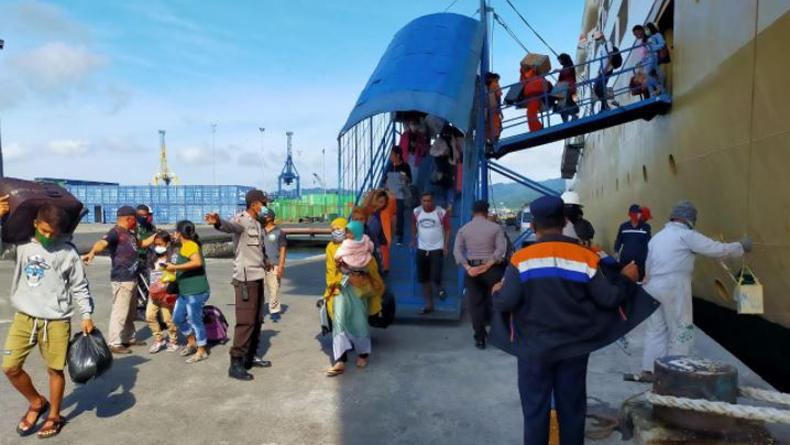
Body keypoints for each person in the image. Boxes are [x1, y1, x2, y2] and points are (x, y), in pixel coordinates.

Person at [491, 195, 654, 445]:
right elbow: (609, 298)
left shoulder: (521, 260)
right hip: (574, 348)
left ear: (534, 226)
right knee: (572, 411)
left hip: (534, 350)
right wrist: (626, 278)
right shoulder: (584, 256)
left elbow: (506, 302)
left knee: (535, 412)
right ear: (565, 221)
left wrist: (498, 290)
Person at [1, 201, 95, 439]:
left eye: (53, 234)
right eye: (43, 231)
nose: (47, 237)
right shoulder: (21, 245)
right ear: (35, 224)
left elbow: (80, 286)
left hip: (56, 320)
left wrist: (86, 315)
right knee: (10, 368)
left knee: (55, 370)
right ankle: (36, 402)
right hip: (25, 317)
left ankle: (54, 415)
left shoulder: (67, 251)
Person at [630, 201, 751, 383]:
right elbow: (717, 250)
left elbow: (648, 266)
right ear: (690, 219)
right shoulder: (686, 236)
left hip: (652, 286)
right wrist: (741, 247)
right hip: (674, 285)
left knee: (656, 330)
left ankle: (650, 371)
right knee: (681, 329)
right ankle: (676, 372)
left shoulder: (658, 237)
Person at [206, 189, 272, 381]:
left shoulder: (258, 224)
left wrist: (266, 260)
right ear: (254, 204)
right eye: (263, 203)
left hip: (257, 275)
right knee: (246, 321)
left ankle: (250, 357)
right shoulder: (242, 220)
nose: (265, 207)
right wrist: (218, 222)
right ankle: (235, 363)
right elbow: (230, 227)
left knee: (258, 319)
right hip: (244, 279)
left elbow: (258, 249)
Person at [83, 205, 154, 354]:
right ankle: (114, 342)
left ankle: (129, 337)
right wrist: (92, 252)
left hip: (132, 277)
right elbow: (101, 243)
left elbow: (143, 244)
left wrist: (155, 236)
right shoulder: (115, 233)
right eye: (135, 219)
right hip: (122, 278)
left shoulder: (131, 233)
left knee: (130, 312)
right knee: (120, 311)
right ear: (129, 219)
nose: (137, 222)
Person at [325, 221, 382, 377]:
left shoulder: (361, 245)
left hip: (358, 290)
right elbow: (330, 270)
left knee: (359, 321)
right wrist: (339, 279)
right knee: (338, 322)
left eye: (339, 229)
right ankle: (340, 359)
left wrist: (360, 274)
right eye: (333, 229)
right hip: (339, 289)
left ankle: (363, 354)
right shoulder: (331, 247)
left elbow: (372, 267)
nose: (336, 232)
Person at [453, 200, 507, 349]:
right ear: (486, 211)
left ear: (472, 211)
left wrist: (468, 267)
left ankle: (480, 338)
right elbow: (500, 250)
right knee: (497, 301)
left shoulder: (464, 229)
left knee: (475, 304)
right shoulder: (495, 228)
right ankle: (501, 335)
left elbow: (457, 251)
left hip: (472, 270)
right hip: (493, 269)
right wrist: (488, 265)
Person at [165, 220, 210, 364]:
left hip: (195, 291)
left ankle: (202, 350)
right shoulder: (185, 245)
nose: (173, 234)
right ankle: (192, 343)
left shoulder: (190, 245)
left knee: (196, 321)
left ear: (179, 233)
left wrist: (175, 268)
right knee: (178, 318)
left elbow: (197, 262)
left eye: (175, 231)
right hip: (185, 291)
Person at [412, 192, 451, 315]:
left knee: (435, 275)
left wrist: (445, 245)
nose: (427, 203)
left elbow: (448, 229)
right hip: (421, 248)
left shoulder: (441, 212)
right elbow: (413, 225)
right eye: (424, 200)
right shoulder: (416, 212)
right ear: (421, 201)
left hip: (437, 248)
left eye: (429, 200)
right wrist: (413, 239)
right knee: (424, 279)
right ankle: (429, 305)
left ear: (433, 201)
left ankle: (439, 288)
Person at [145, 230, 180, 353]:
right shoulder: (152, 255)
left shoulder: (173, 256)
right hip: (154, 291)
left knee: (167, 318)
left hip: (167, 292)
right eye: (156, 244)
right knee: (149, 316)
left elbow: (176, 271)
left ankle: (173, 340)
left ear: (167, 244)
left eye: (160, 244)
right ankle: (159, 339)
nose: (157, 247)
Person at [261, 208, 287, 322]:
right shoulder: (259, 230)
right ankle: (259, 312)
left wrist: (281, 266)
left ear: (270, 217)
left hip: (274, 265)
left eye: (264, 215)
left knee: (274, 289)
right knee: (258, 289)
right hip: (259, 265)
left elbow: (282, 250)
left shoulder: (279, 232)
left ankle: (274, 311)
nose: (261, 217)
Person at [383, 148, 412, 246]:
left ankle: (400, 236)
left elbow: (410, 180)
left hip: (400, 194)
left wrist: (405, 178)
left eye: (392, 155)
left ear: (398, 155)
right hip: (390, 194)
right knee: (386, 213)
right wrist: (387, 185)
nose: (390, 157)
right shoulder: (390, 166)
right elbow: (384, 180)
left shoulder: (405, 166)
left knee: (400, 213)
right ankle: (386, 235)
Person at [614, 204, 651, 280]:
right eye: (635, 213)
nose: (637, 215)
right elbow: (619, 240)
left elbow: (649, 243)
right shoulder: (624, 226)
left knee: (639, 280)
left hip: (640, 261)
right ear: (630, 214)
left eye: (639, 213)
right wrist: (616, 252)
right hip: (625, 260)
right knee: (625, 280)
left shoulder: (646, 227)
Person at [592, 30, 614, 113]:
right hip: (603, 71)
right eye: (597, 40)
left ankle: (605, 107)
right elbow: (602, 61)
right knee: (597, 88)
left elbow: (611, 56)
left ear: (602, 37)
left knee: (599, 87)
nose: (598, 41)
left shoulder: (608, 43)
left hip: (607, 70)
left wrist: (606, 68)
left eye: (598, 39)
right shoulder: (602, 47)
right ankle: (604, 106)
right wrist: (599, 72)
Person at [554, 53, 579, 122]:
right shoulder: (566, 66)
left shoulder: (568, 65)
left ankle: (573, 116)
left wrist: (558, 71)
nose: (559, 62)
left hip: (568, 88)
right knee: (562, 105)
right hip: (564, 88)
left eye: (560, 60)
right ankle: (568, 118)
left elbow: (567, 72)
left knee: (564, 104)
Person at [645, 23, 667, 95]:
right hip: (649, 58)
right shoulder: (648, 39)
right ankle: (653, 91)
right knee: (648, 75)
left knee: (647, 74)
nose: (646, 31)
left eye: (647, 29)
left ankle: (659, 87)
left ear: (651, 28)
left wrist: (652, 48)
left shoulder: (657, 35)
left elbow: (662, 44)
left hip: (654, 56)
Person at [486, 72, 503, 143]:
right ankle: (495, 138)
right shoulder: (495, 85)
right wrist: (499, 108)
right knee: (496, 123)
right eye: (497, 79)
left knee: (489, 124)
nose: (498, 81)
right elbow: (498, 96)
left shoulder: (487, 86)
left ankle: (490, 138)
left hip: (488, 108)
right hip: (494, 107)